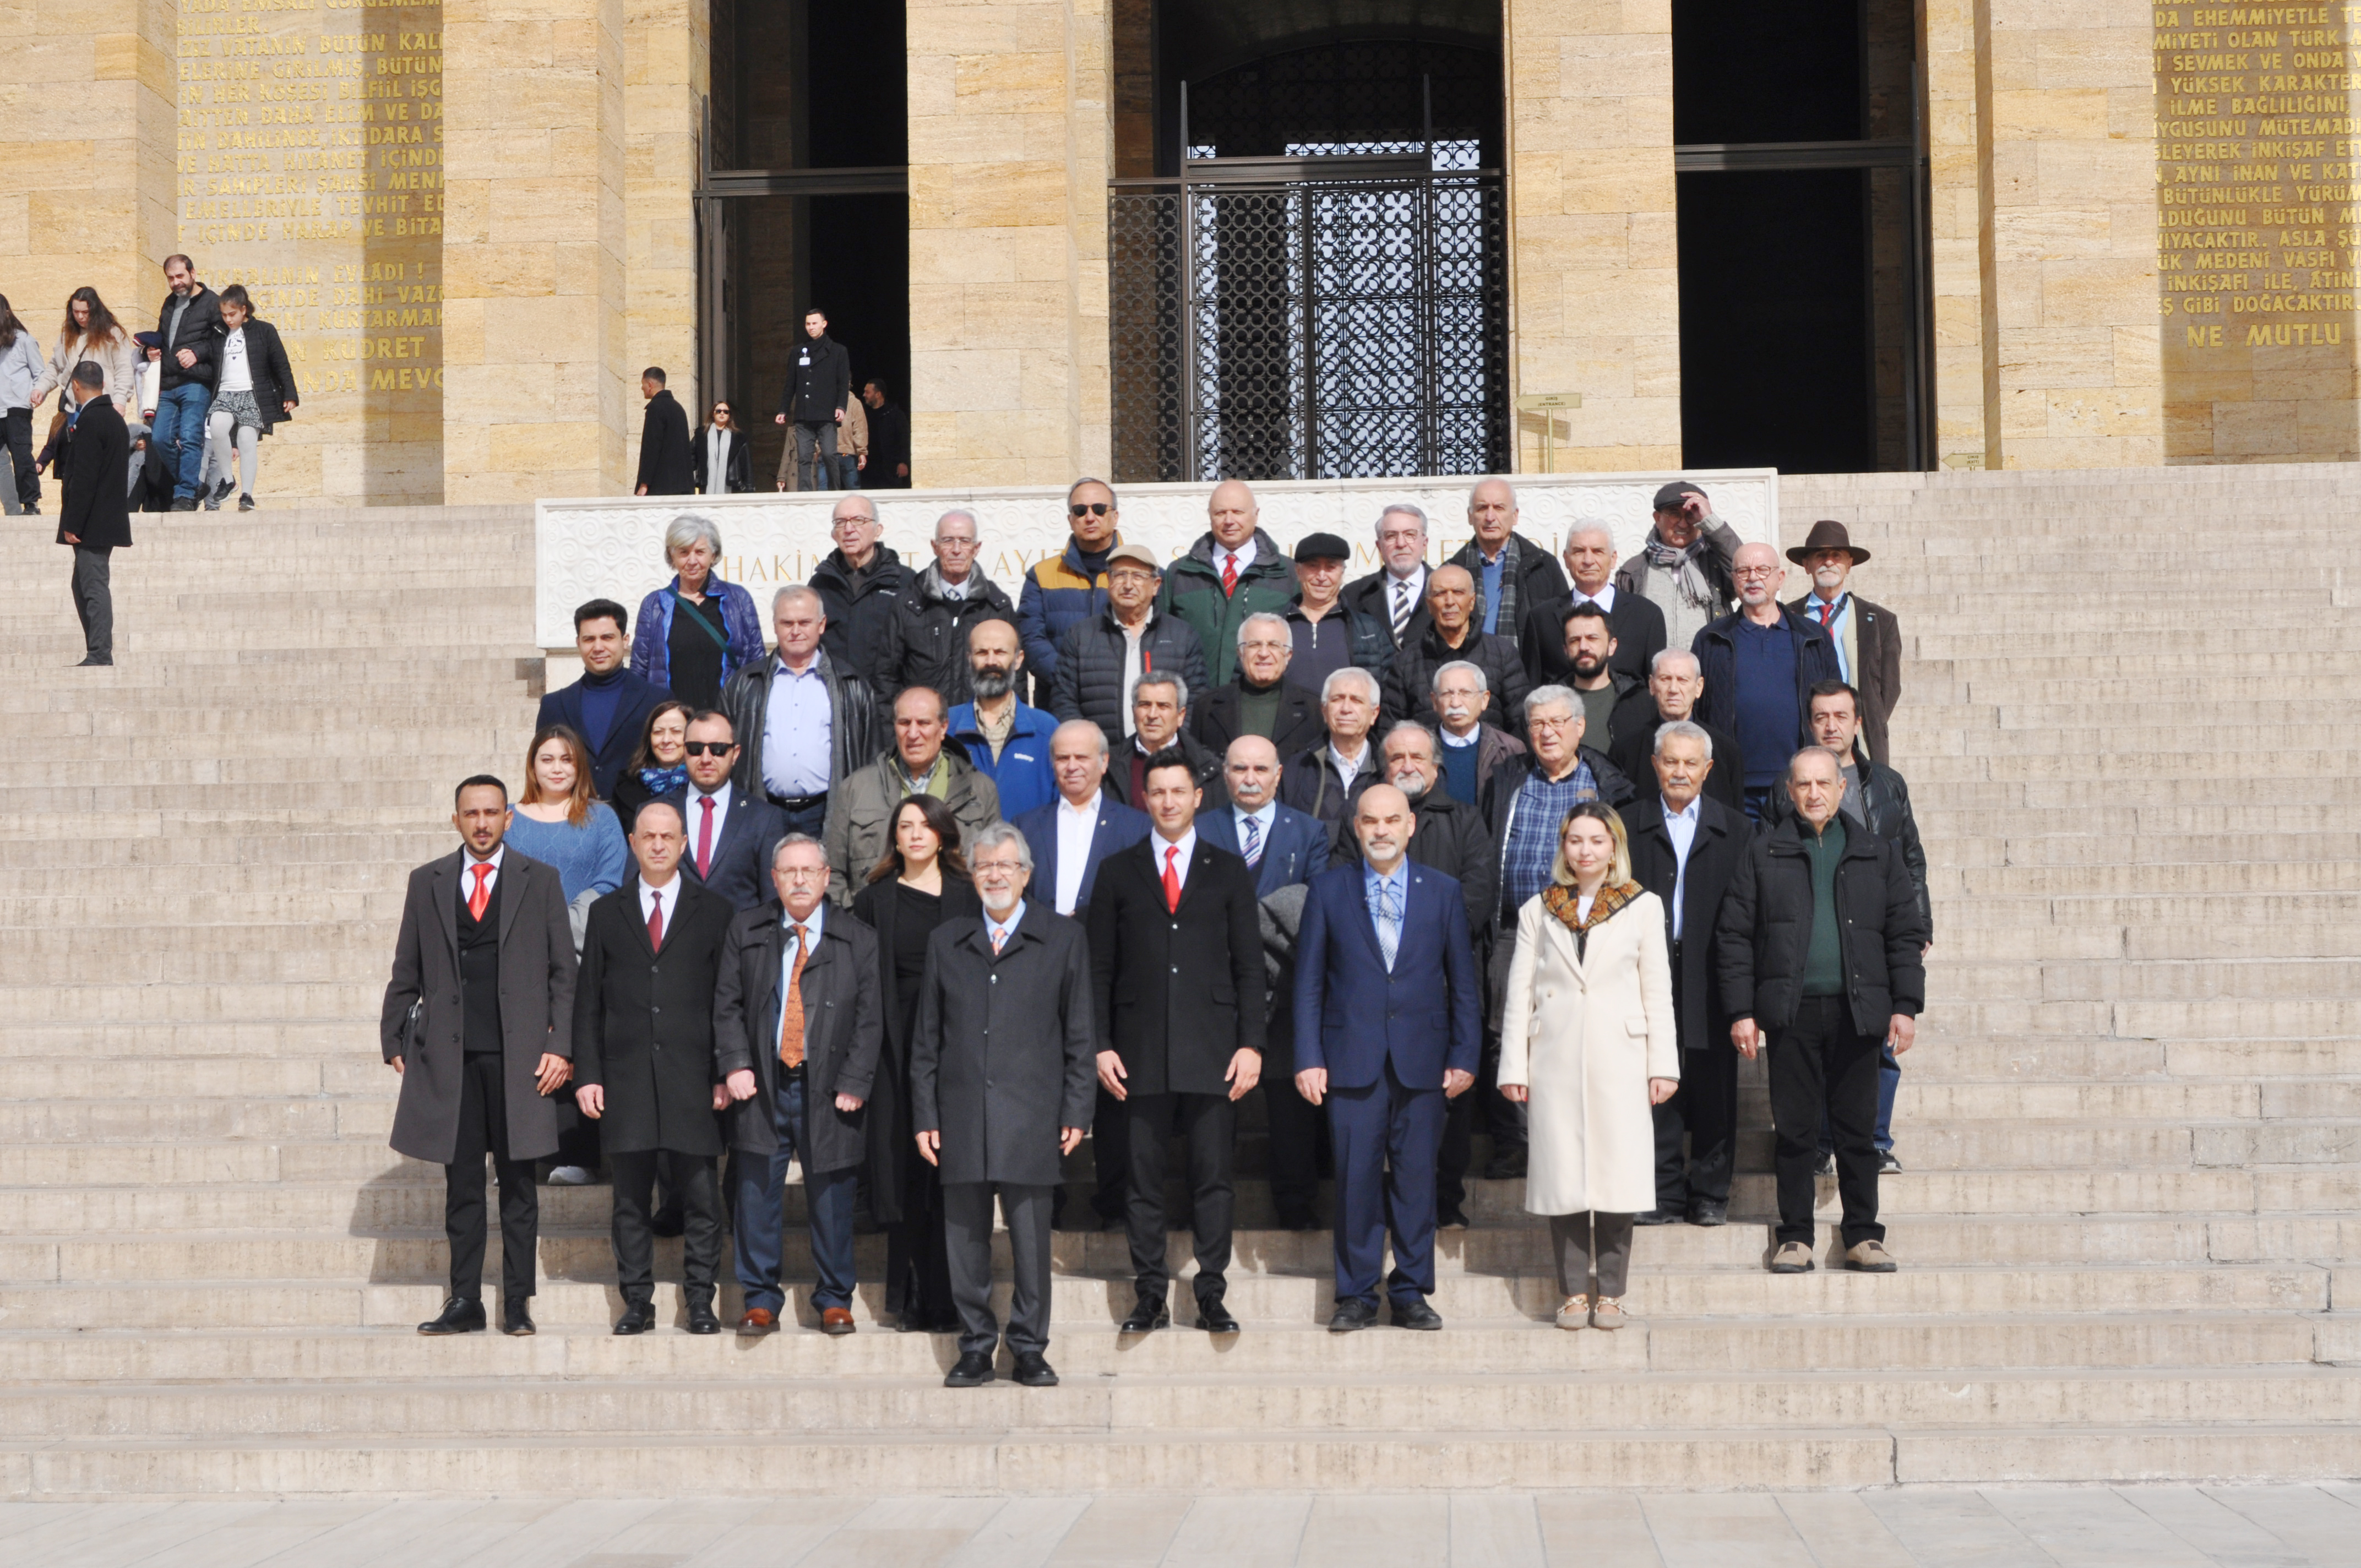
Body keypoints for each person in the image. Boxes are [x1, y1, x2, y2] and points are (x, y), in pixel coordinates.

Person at [1719, 747, 1927, 1275]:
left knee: (1857, 1131)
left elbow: (1904, 934)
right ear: (1790, 792)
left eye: (1823, 784)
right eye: (1803, 784)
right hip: (1791, 1013)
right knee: (1795, 1131)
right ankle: (1795, 1236)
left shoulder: (1876, 853)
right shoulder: (1762, 853)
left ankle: (1864, 1235)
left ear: (1841, 789)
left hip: (1858, 1012)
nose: (1814, 793)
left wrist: (1905, 1005)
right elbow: (1735, 935)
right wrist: (1741, 1010)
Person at [383, 776, 578, 1337]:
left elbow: (564, 973)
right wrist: (393, 1037)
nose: (483, 823)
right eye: (472, 813)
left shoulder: (540, 880)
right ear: (456, 820)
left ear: (508, 818)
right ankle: (465, 1298)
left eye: (492, 812)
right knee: (463, 1186)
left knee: (518, 1186)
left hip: (521, 1060)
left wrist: (561, 1045)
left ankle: (517, 1301)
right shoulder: (428, 882)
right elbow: (407, 965)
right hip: (453, 1059)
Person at [1086, 748, 1265, 1335]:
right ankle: (1149, 1294)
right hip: (1137, 1051)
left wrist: (1251, 1044)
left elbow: (1249, 967)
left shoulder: (1228, 869)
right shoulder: (1117, 870)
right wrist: (1101, 1043)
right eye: (1157, 791)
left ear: (1197, 798)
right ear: (1145, 798)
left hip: (1214, 1050)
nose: (1167, 801)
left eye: (1177, 791)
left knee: (1213, 1177)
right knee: (1142, 1179)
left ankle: (1211, 1291)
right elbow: (1099, 969)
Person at [913, 823, 1097, 1388]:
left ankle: (1029, 1348)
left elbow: (1080, 1035)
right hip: (961, 1113)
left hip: (1033, 1115)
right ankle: (975, 1347)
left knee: (1031, 1243)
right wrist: (925, 1115)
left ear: (1026, 874)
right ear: (971, 875)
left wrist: (1077, 1110)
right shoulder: (947, 940)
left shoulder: (1062, 938)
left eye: (1005, 865)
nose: (995, 875)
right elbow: (926, 1041)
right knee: (965, 1241)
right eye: (984, 866)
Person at [1294, 783, 1482, 1331]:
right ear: (1356, 828)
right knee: (1355, 1179)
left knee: (1416, 1180)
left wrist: (1465, 1054)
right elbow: (1308, 983)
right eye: (1370, 821)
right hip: (1349, 1058)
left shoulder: (1443, 891)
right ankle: (1356, 1293)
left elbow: (1463, 984)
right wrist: (1308, 1056)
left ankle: (1410, 1291)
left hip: (1424, 1060)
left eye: (1391, 820)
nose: (1381, 830)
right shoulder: (1327, 890)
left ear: (1409, 826)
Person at [1499, 803, 1678, 1329]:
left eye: (1597, 840)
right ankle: (1574, 1292)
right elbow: (1519, 994)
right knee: (1564, 1177)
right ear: (1564, 847)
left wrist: (1663, 1065)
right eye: (1575, 840)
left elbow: (1657, 991)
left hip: (1621, 1058)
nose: (1585, 851)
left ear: (1614, 847)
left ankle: (1613, 1292)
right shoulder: (1539, 909)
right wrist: (1514, 1066)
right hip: (1554, 1058)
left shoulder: (1643, 906)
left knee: (1618, 1177)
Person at [572, 802, 735, 1333]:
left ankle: (701, 1301)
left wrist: (724, 1071)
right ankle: (637, 1302)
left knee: (703, 1200)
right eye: (649, 836)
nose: (659, 845)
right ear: (634, 843)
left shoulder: (715, 911)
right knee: (630, 1201)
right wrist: (588, 1075)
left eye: (669, 837)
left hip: (695, 1079)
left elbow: (726, 1000)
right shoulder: (606, 912)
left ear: (684, 844)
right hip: (626, 1079)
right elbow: (588, 1003)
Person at [715, 835, 882, 1333]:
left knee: (832, 1197)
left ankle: (834, 1298)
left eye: (810, 870)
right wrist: (735, 1063)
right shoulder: (746, 928)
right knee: (755, 1195)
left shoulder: (858, 938)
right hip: (762, 1083)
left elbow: (870, 1019)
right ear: (774, 879)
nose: (800, 880)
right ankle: (760, 1300)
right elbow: (726, 1004)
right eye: (789, 871)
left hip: (829, 1087)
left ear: (828, 877)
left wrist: (855, 1079)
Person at [1765, 680, 1931, 1173]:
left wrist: (1919, 922)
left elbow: (1911, 858)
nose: (1831, 726)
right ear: (1809, 724)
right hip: (1818, 935)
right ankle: (1820, 1143)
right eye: (1821, 717)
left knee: (1879, 1044)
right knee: (1818, 1051)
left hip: (1872, 933)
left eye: (1841, 716)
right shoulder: (1787, 786)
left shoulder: (1887, 784)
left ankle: (1874, 1140)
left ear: (1858, 723)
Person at [1346, 723, 1498, 1229]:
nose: (1407, 765)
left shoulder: (1467, 820)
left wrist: (1421, 944)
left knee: (1449, 1103)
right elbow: (1344, 895)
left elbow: (1478, 892)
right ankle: (1380, 1210)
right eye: (1397, 758)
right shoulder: (1361, 822)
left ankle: (1445, 1201)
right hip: (1373, 994)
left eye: (1418, 757)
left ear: (1436, 767)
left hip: (1446, 985)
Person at [1010, 718, 1151, 1232]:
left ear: (1104, 762)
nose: (1071, 766)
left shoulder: (1135, 827)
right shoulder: (1026, 826)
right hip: (1041, 974)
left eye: (1081, 757)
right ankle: (1048, 1201)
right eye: (1062, 758)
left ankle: (1115, 1202)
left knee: (1113, 1087)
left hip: (1111, 973)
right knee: (1042, 1087)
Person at [852, 796, 981, 1333]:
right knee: (904, 1172)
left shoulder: (970, 896)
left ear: (944, 834)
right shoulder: (873, 900)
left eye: (926, 824)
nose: (915, 833)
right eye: (905, 826)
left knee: (949, 1172)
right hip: (894, 1048)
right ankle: (908, 1295)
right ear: (895, 837)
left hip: (957, 1046)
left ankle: (949, 1297)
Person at [1200, 734, 1331, 1231]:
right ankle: (1207, 1212)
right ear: (1225, 775)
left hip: (1286, 986)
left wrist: (1248, 924)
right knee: (1213, 1110)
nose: (1250, 779)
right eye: (1240, 769)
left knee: (1290, 1108)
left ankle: (1295, 1205)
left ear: (1279, 775)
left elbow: (1313, 909)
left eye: (1261, 769)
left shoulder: (1310, 832)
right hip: (1217, 987)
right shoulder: (1201, 828)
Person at [1623, 722, 1750, 1226]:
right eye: (1670, 761)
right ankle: (1662, 1192)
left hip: (1712, 966)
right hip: (1647, 968)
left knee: (1715, 1080)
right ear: (1655, 765)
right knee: (1656, 1078)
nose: (1680, 771)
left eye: (1690, 763)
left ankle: (1711, 1193)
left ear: (1708, 769)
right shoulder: (1626, 826)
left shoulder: (1737, 829)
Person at [502, 724, 630, 1184]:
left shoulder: (602, 818)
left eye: (567, 760)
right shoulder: (509, 818)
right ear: (532, 765)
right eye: (547, 759)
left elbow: (610, 882)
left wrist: (560, 927)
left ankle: (578, 1154)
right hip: (518, 953)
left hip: (581, 949)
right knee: (519, 1050)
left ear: (580, 767)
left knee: (575, 1045)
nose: (557, 768)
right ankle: (516, 1156)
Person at [722, 584, 884, 839]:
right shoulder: (745, 684)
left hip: (825, 813)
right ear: (775, 626)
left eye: (804, 622)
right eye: (787, 623)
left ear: (821, 625)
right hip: (763, 811)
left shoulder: (851, 684)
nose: (796, 631)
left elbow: (871, 756)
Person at [1693, 542, 1841, 820]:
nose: (1753, 578)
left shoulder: (1812, 637)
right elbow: (1697, 712)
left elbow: (1835, 706)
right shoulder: (1711, 639)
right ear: (1733, 579)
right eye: (1744, 571)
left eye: (1762, 570)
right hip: (1732, 788)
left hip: (1799, 786)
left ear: (1780, 578)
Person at [823, 685, 1002, 907]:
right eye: (905, 723)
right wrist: (856, 921)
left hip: (956, 921)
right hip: (874, 922)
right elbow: (832, 872)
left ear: (943, 728)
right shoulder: (855, 788)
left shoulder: (980, 789)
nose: (913, 734)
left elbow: (994, 867)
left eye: (924, 723)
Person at [1049, 539, 1208, 745]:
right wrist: (1087, 747)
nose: (1128, 585)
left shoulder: (1183, 636)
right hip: (1101, 756)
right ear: (1109, 581)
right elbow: (1064, 700)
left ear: (1156, 585)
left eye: (1138, 576)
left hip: (1166, 755)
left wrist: (1173, 747)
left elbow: (1195, 701)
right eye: (1120, 575)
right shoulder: (1080, 636)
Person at [1157, 479, 1299, 689]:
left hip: (1261, 698)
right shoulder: (1180, 573)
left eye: (1238, 512)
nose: (1229, 521)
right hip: (1196, 699)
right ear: (1210, 516)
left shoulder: (1288, 573)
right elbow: (1162, 640)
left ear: (1256, 514)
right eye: (1220, 513)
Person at [1785, 520, 1902, 765]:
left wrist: (1858, 720)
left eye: (1837, 555)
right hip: (1803, 736)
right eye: (1821, 555)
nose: (1829, 562)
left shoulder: (1881, 621)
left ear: (1849, 565)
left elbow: (1889, 687)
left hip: (1861, 741)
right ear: (1807, 565)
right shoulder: (1786, 618)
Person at [877, 509, 1017, 706]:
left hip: (979, 723)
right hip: (923, 723)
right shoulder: (907, 605)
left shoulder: (997, 606)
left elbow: (1015, 676)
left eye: (965, 541)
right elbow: (886, 677)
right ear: (935, 547)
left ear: (976, 548)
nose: (956, 550)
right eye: (948, 541)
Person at [629, 514, 766, 711]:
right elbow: (639, 670)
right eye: (684, 552)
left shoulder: (738, 599)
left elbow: (757, 663)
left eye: (700, 552)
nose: (692, 561)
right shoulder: (655, 605)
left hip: (727, 719)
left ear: (713, 555)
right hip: (675, 722)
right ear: (672, 556)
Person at [537, 599, 668, 801]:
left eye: (607, 638)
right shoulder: (554, 705)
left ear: (625, 640)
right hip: (572, 813)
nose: (598, 647)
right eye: (589, 639)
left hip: (637, 815)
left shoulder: (657, 700)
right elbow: (541, 769)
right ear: (578, 643)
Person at [660, 709, 788, 913]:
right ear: (684, 751)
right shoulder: (657, 812)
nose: (706, 758)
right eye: (695, 749)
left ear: (735, 754)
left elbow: (773, 900)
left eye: (718, 749)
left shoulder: (763, 817)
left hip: (740, 932)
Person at [1381, 564, 1529, 730]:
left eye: (1458, 592)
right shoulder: (1406, 662)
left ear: (1472, 602)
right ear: (1429, 605)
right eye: (1440, 594)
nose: (1450, 602)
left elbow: (1521, 724)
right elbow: (1391, 730)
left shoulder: (1503, 654)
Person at [1520, 525, 1667, 688]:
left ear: (1613, 558)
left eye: (1598, 551)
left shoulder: (1646, 615)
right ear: (1566, 559)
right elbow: (1532, 689)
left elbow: (1656, 687)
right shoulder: (1541, 618)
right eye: (1579, 551)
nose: (1588, 561)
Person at [1606, 649, 1747, 816]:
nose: (1673, 689)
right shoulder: (1626, 751)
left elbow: (1735, 822)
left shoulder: (1726, 752)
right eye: (1665, 679)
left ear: (1699, 687)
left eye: (1682, 680)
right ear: (1652, 685)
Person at [54, 362, 129, 667]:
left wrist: (73, 523)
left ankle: (100, 652)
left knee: (93, 585)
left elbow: (84, 478)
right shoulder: (114, 419)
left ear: (75, 385)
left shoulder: (91, 420)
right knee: (83, 584)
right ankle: (96, 649)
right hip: (106, 518)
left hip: (92, 522)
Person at [194, 285, 296, 513]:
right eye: (224, 315)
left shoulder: (264, 331)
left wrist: (290, 393)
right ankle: (228, 481)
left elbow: (281, 364)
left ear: (244, 309)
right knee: (217, 427)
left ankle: (247, 494)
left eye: (232, 314)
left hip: (252, 394)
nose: (228, 320)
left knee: (246, 440)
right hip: (225, 392)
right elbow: (207, 357)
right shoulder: (219, 333)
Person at [945, 618, 1058, 820]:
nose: (991, 662)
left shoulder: (1046, 730)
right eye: (982, 653)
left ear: (1018, 659)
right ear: (969, 659)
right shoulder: (945, 728)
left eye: (1000, 652)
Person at [1616, 481, 1743, 655]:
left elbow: (1744, 568)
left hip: (1707, 667)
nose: (1683, 524)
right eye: (1674, 514)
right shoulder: (1633, 571)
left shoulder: (1715, 563)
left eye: (1691, 515)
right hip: (1653, 671)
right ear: (1657, 519)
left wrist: (1711, 521)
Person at [1019, 477, 1121, 692]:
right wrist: (1069, 681)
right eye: (1080, 511)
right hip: (1059, 700)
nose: (1090, 517)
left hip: (1121, 699)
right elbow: (1031, 640)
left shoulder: (1144, 574)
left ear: (1115, 516)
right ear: (1070, 519)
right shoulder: (1041, 575)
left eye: (1099, 509)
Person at [1190, 612, 1325, 761]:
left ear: (1288, 655)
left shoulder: (1314, 709)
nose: (1264, 653)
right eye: (1254, 645)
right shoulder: (1207, 706)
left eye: (1274, 645)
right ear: (1240, 653)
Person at [1450, 478, 1570, 641]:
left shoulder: (1544, 567)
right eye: (1482, 508)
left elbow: (1564, 626)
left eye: (1499, 508)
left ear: (1515, 516)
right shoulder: (1452, 571)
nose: (1490, 517)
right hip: (1468, 657)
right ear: (1470, 516)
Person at [810, 494, 911, 689]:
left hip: (888, 697)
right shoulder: (820, 584)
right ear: (834, 534)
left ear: (877, 530)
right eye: (841, 522)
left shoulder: (904, 582)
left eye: (858, 520)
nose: (849, 529)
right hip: (834, 695)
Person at [146, 255, 221, 510]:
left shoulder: (212, 303)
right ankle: (193, 484)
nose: (176, 282)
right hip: (169, 383)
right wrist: (150, 350)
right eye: (171, 278)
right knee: (160, 439)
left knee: (190, 437)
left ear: (193, 273)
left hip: (196, 381)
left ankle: (185, 495)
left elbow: (220, 342)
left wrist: (197, 353)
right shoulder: (169, 303)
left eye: (180, 276)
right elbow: (163, 337)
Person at [1281, 530, 1392, 698]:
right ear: (1298, 571)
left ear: (1342, 573)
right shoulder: (1277, 625)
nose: (1321, 576)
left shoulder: (1369, 631)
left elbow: (1389, 690)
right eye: (1313, 566)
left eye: (1330, 567)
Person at [1102, 670, 1225, 810]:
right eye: (1145, 705)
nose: (1153, 715)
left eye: (1163, 706)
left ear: (1181, 716)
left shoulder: (1208, 767)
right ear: (1134, 712)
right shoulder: (1108, 765)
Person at [1279, 666, 1383, 826]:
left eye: (1356, 700)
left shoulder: (1387, 769)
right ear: (1324, 711)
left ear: (1374, 714)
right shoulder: (1298, 768)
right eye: (1337, 699)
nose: (1346, 709)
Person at [1558, 602, 1656, 758]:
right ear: (1565, 650)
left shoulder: (1640, 702)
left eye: (1592, 638)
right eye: (1575, 640)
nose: (1583, 647)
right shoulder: (1549, 703)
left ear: (1612, 646)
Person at [40, 287, 141, 434]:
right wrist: (40, 388)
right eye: (76, 312)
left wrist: (120, 401)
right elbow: (56, 366)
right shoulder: (68, 334)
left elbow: (124, 370)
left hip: (104, 407)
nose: (80, 317)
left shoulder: (113, 334)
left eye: (85, 312)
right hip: (74, 408)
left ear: (95, 310)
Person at [1431, 660, 1527, 813]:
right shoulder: (1417, 750)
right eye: (1447, 694)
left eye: (1466, 693)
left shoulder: (1510, 749)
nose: (1455, 703)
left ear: (1485, 700)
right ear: (1435, 701)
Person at [774, 307, 851, 489]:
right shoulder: (798, 352)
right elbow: (790, 384)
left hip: (826, 413)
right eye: (808, 324)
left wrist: (841, 407)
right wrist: (783, 410)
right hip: (804, 414)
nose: (811, 327)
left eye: (815, 323)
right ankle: (805, 494)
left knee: (830, 454)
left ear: (824, 324)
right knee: (804, 457)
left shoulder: (838, 351)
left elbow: (843, 383)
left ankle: (834, 492)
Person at [1341, 503, 1434, 650]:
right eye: (1391, 536)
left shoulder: (1449, 591)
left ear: (1425, 543)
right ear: (1379, 546)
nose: (1401, 544)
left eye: (1410, 535)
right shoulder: (1354, 595)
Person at [610, 700, 693, 832]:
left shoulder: (701, 785)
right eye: (658, 732)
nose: (666, 740)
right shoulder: (626, 787)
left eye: (676, 731)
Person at [0, 295, 42, 513]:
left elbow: (40, 373)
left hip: (17, 409)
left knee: (22, 457)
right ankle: (12, 509)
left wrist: (36, 393)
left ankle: (31, 503)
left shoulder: (24, 340)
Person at [633, 368, 693, 496]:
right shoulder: (678, 408)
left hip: (661, 486)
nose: (642, 388)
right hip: (682, 486)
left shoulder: (656, 408)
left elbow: (652, 447)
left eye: (643, 384)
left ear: (650, 385)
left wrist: (644, 483)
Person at [692, 398, 752, 494]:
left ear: (729, 415)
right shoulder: (701, 435)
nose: (722, 414)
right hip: (706, 486)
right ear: (713, 414)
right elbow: (691, 459)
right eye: (719, 411)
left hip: (731, 486)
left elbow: (746, 465)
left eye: (726, 412)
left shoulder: (738, 437)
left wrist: (749, 488)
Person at [860, 377, 909, 486]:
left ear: (878, 394)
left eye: (867, 392)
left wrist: (903, 462)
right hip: (868, 470)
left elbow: (904, 440)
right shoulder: (863, 414)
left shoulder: (895, 415)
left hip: (890, 470)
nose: (864, 395)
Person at [835, 382, 868, 489]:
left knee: (853, 493)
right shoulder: (825, 401)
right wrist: (818, 449)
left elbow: (860, 429)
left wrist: (862, 452)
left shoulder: (854, 403)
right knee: (824, 494)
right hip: (829, 455)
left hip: (846, 454)